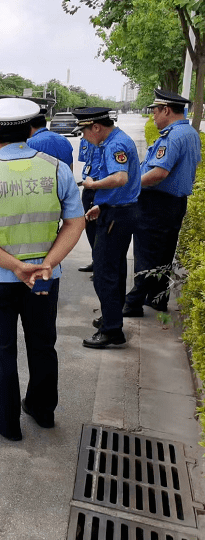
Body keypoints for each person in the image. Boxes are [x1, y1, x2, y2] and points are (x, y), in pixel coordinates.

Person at [0, 98, 85, 441]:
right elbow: (75, 223)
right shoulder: (58, 170)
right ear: (30, 131)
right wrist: (47, 264)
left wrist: (14, 267)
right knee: (43, 345)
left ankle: (7, 422)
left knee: (2, 349)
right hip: (43, 278)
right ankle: (42, 412)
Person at [123, 89, 202, 316]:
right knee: (163, 253)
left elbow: (158, 173)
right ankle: (157, 299)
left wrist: (132, 184)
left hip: (156, 204)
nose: (153, 117)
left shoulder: (173, 136)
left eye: (155, 112)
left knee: (147, 254)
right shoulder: (189, 133)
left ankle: (133, 303)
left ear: (166, 110)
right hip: (174, 203)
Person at [73, 107, 141, 349]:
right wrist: (102, 206)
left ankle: (112, 330)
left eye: (83, 131)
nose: (83, 137)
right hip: (116, 211)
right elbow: (123, 187)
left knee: (104, 273)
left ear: (96, 127)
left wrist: (93, 184)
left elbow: (120, 178)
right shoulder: (115, 140)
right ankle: (112, 318)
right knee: (115, 269)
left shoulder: (114, 144)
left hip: (118, 215)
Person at [77, 137, 101, 272]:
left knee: (100, 228)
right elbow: (87, 161)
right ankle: (96, 260)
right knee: (90, 226)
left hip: (100, 186)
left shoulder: (107, 141)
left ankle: (101, 265)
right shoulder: (84, 140)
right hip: (88, 186)